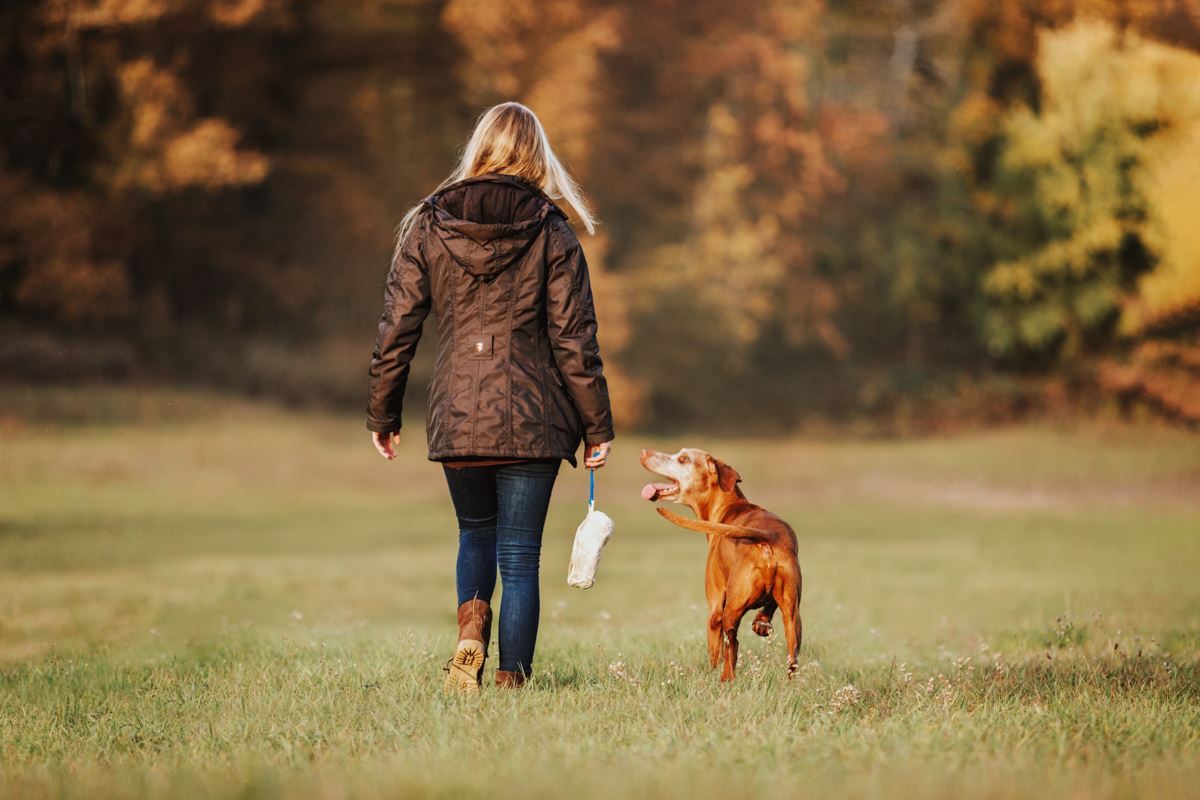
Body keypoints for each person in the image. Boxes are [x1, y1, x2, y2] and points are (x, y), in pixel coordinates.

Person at [365, 101, 615, 691]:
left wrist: (383, 410)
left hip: (458, 416)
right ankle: (512, 683)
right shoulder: (552, 230)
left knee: (474, 532)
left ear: (478, 147)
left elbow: (397, 326)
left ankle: (470, 637)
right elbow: (574, 338)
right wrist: (598, 426)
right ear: (537, 154)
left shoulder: (429, 222)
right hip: (534, 419)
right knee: (521, 555)